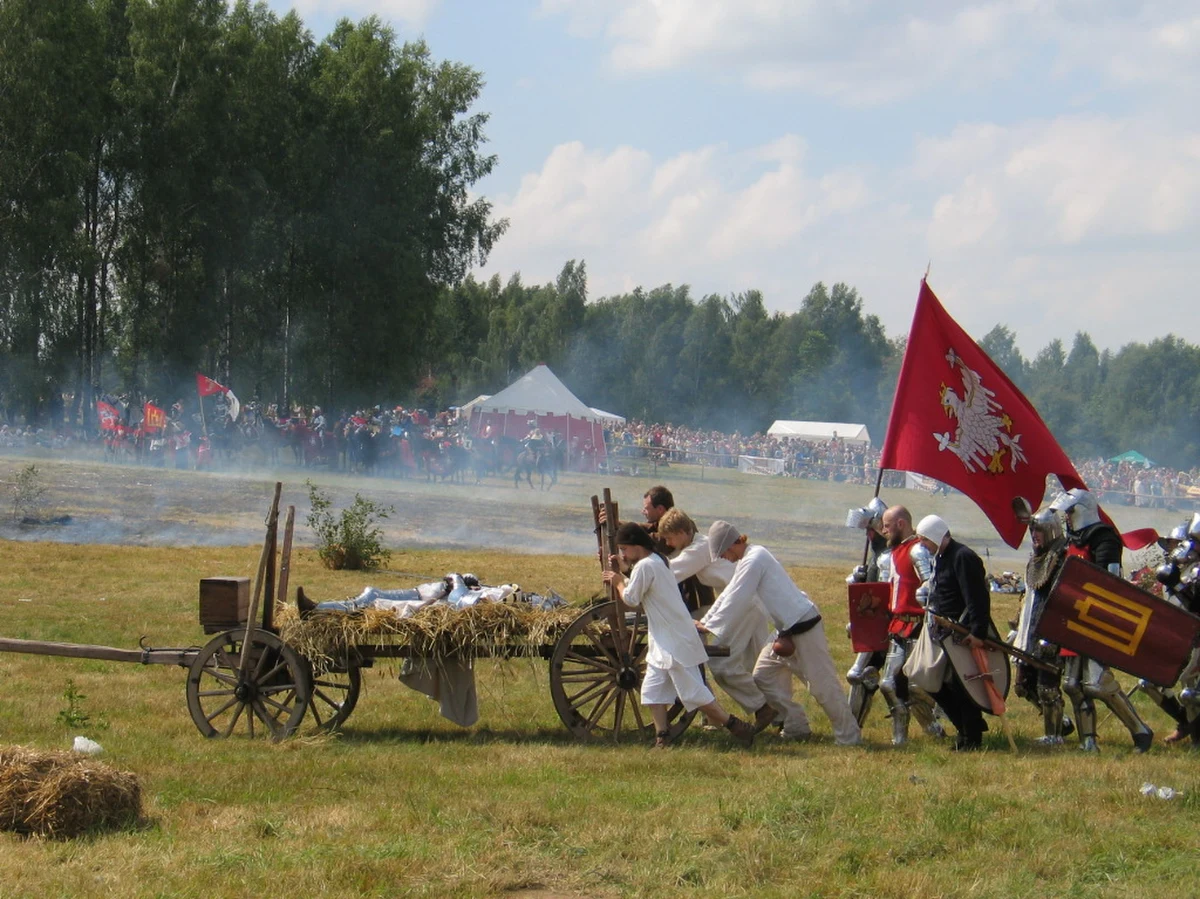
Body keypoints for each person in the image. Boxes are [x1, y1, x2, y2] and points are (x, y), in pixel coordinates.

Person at [703, 520, 861, 745]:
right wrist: (706, 621)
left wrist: (709, 625)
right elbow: (731, 593)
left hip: (804, 625)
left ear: (731, 544)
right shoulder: (748, 561)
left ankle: (849, 738)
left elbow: (737, 597)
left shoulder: (755, 558)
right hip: (785, 629)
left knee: (822, 686)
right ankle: (796, 725)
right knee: (763, 676)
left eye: (722, 553)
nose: (722, 558)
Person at [603, 523, 755, 749]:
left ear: (637, 546)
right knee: (653, 691)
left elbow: (632, 598)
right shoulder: (657, 560)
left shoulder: (646, 566)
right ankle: (662, 738)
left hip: (674, 640)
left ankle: (736, 726)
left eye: (625, 549)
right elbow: (640, 584)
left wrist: (617, 581)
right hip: (663, 640)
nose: (623, 553)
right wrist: (624, 569)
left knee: (695, 693)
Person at [1049, 488, 1153, 752]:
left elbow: (1112, 583)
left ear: (1082, 510)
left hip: (1096, 619)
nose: (1068, 517)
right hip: (1072, 618)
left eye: (1070, 511)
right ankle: (1088, 742)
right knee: (1071, 685)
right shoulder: (1071, 540)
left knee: (1097, 684)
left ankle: (1141, 731)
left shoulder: (1103, 537)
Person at [658, 509, 774, 727]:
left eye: (670, 538)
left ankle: (763, 707)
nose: (669, 543)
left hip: (743, 603)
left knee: (722, 664)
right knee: (758, 666)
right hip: (748, 600)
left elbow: (670, 573)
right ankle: (786, 718)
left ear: (683, 532)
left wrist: (633, 572)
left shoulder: (700, 548)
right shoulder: (698, 545)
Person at [911, 515, 994, 751]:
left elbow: (977, 598)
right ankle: (967, 727)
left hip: (961, 631)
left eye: (925, 539)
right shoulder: (940, 557)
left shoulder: (963, 557)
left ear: (936, 535)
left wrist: (977, 632)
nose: (923, 545)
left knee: (960, 686)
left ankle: (971, 738)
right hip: (941, 632)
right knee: (928, 679)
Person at [877, 505, 945, 745]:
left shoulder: (918, 550)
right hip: (898, 626)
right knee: (888, 684)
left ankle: (935, 727)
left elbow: (932, 586)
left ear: (901, 524)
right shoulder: (894, 552)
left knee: (916, 687)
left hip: (918, 626)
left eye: (886, 525)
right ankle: (900, 741)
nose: (883, 530)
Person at [1012, 507, 1073, 745]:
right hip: (1030, 631)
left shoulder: (1062, 557)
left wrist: (1054, 635)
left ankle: (1053, 735)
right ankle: (1063, 723)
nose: (1035, 534)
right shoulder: (1035, 558)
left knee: (1048, 688)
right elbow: (1028, 596)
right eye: (1032, 530)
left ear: (1051, 530)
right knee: (1023, 686)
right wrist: (1018, 625)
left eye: (1039, 530)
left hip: (1050, 632)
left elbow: (1062, 600)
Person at [844, 497, 890, 728]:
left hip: (891, 627)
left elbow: (885, 595)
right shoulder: (878, 556)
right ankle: (852, 728)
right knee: (862, 677)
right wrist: (858, 581)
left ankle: (851, 729)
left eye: (869, 530)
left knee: (901, 685)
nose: (867, 536)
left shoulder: (889, 557)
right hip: (874, 626)